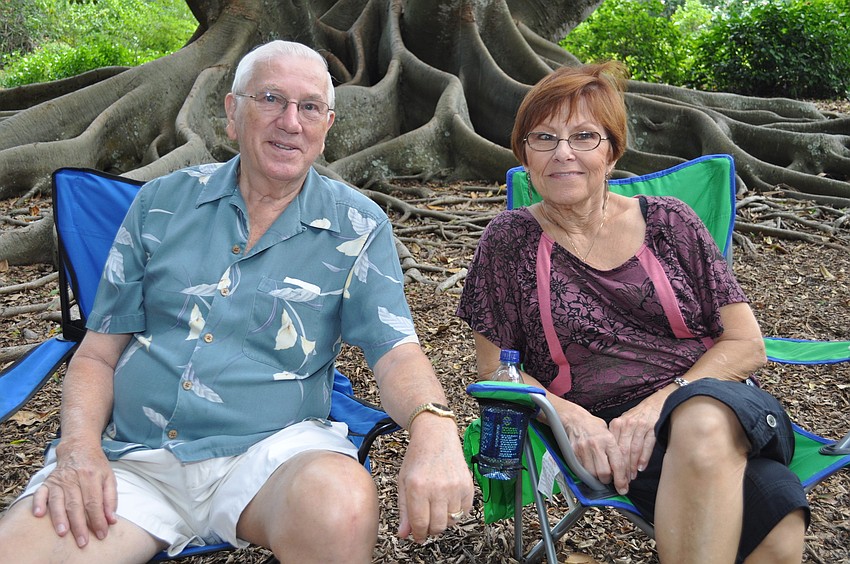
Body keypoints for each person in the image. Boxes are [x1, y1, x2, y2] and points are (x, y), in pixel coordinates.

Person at [0, 40, 473, 563]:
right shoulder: (160, 204)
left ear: (326, 126)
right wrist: (79, 448)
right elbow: (96, 354)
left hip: (271, 458)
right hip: (134, 463)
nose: (290, 122)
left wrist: (434, 426)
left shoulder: (357, 226)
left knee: (340, 503)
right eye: (270, 98)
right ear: (232, 113)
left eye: (309, 107)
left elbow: (396, 351)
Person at [457, 61, 808, 564]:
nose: (563, 153)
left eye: (584, 136)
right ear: (524, 153)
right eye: (544, 138)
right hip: (618, 442)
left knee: (701, 420)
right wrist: (571, 417)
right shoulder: (509, 241)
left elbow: (745, 344)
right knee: (778, 533)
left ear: (612, 152)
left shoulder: (670, 222)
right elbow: (495, 369)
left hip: (722, 407)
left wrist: (659, 405)